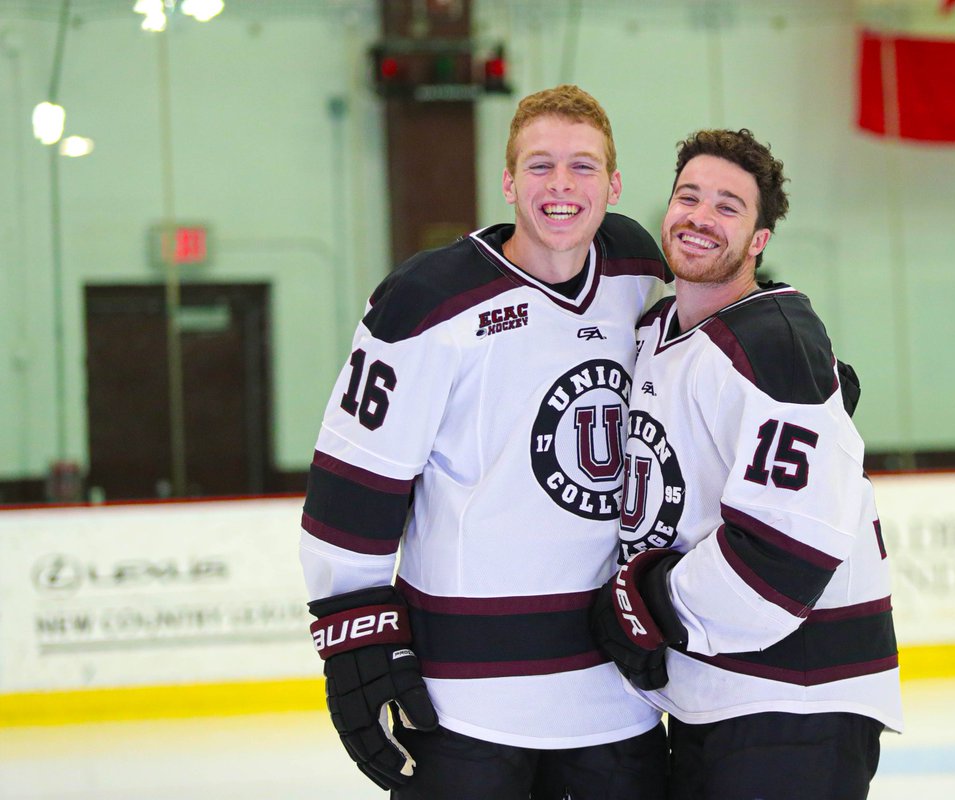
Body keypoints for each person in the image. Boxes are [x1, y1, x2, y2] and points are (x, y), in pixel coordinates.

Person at [299, 85, 672, 799]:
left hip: (614, 692)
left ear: (615, 185)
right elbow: (353, 480)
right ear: (506, 182)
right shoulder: (427, 302)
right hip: (464, 703)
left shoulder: (636, 269)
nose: (561, 186)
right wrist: (354, 639)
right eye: (539, 166)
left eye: (583, 167)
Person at [590, 128, 903, 800]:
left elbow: (783, 551)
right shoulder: (655, 334)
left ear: (759, 239)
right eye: (688, 197)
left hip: (798, 707)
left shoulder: (772, 343)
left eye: (729, 207)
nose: (701, 217)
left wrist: (650, 606)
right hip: (715, 694)